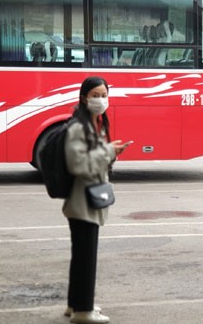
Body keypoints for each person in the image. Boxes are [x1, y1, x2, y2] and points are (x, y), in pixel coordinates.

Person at [62, 76, 128, 324]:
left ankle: (76, 303)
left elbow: (94, 158)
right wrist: (109, 151)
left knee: (81, 256)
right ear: (84, 98)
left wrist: (110, 151)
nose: (101, 100)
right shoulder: (79, 127)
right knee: (86, 257)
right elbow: (78, 164)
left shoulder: (92, 125)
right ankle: (83, 312)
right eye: (96, 95)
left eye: (104, 95)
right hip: (83, 201)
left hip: (88, 198)